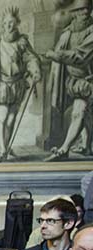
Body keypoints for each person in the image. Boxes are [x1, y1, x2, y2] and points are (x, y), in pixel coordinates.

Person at [0, 6, 41, 163]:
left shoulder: (22, 42)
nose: (9, 26)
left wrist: (35, 70)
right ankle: (2, 150)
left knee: (11, 120)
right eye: (6, 23)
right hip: (0, 85)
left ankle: (7, 147)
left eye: (12, 22)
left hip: (17, 86)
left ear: (17, 23)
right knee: (2, 117)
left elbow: (31, 59)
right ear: (2, 25)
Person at [43, 0, 93, 161]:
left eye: (87, 9)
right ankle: (86, 146)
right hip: (77, 81)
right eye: (81, 10)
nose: (85, 13)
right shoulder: (68, 33)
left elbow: (81, 56)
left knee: (79, 112)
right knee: (86, 113)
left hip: (89, 81)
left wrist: (55, 55)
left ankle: (64, 149)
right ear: (75, 13)